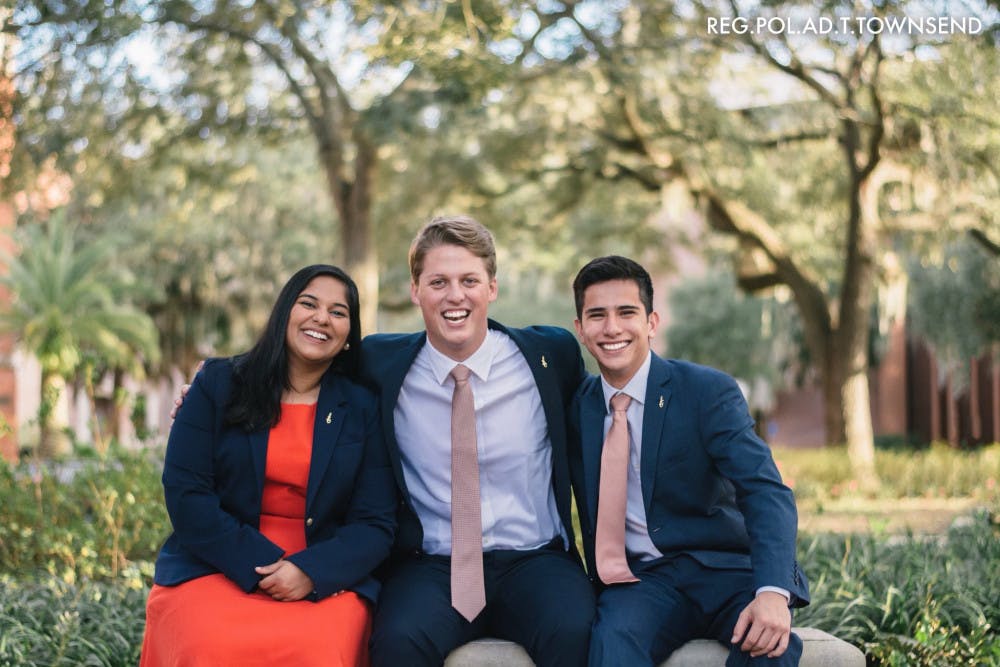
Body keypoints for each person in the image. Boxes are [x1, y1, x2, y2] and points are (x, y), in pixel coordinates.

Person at [361, 215, 596, 667]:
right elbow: (302, 365)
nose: (455, 295)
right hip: (431, 565)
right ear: (415, 291)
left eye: (469, 280)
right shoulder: (378, 362)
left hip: (535, 560)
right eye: (438, 282)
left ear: (492, 288)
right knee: (396, 642)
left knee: (578, 633)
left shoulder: (551, 355)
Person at [142, 264, 397, 667]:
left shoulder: (363, 407)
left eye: (338, 312)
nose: (321, 318)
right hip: (217, 561)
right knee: (208, 647)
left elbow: (375, 523)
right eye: (308, 304)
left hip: (323, 573)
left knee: (319, 651)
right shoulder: (218, 384)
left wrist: (309, 572)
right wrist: (260, 565)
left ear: (349, 335)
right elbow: (186, 494)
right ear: (284, 313)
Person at [567, 256, 809, 667]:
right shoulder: (577, 408)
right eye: (597, 315)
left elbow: (764, 490)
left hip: (726, 571)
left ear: (651, 322)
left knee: (771, 648)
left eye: (626, 312)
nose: (612, 328)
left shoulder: (705, 392)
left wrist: (772, 592)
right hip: (642, 582)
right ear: (580, 329)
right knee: (612, 645)